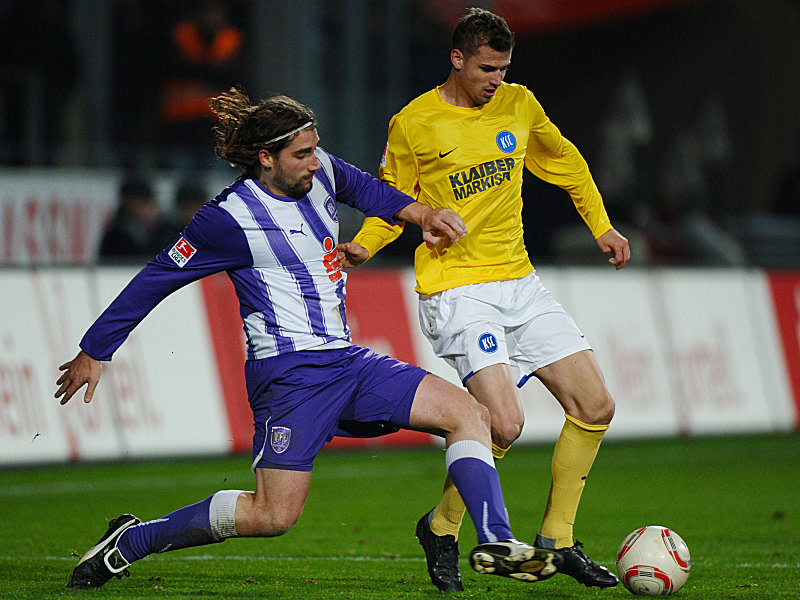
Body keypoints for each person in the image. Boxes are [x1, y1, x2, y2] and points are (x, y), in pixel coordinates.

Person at [56, 87, 562, 590]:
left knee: (470, 413)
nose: (315, 163)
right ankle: (133, 541)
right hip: (289, 376)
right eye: (301, 154)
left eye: (315, 149)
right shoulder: (227, 219)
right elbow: (157, 277)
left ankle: (496, 538)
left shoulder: (320, 172)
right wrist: (95, 349)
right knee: (271, 515)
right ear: (266, 159)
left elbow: (370, 190)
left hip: (348, 362)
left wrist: (422, 215)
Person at [339, 7, 631, 592]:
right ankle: (446, 529)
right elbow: (393, 198)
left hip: (520, 282)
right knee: (503, 423)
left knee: (596, 406)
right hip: (457, 289)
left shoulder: (520, 105)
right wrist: (367, 246)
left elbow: (567, 163)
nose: (496, 79)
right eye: (487, 68)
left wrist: (601, 225)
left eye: (503, 68)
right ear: (458, 58)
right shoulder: (414, 123)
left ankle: (556, 540)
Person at [98, 176, 179, 262]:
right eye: (140, 201)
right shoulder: (115, 235)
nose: (146, 206)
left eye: (147, 200)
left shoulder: (167, 230)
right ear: (127, 203)